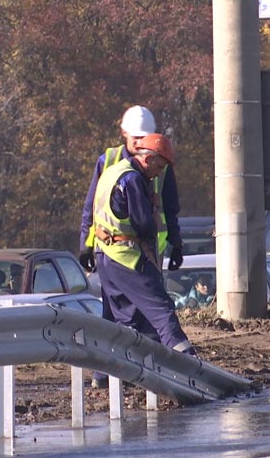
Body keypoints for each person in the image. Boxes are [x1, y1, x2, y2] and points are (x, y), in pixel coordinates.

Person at [92, 133, 196, 357]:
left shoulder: (112, 171)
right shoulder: (133, 180)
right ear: (147, 159)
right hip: (126, 257)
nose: (158, 174)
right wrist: (151, 205)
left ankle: (110, 376)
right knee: (162, 311)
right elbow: (143, 225)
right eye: (158, 167)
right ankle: (190, 368)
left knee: (124, 320)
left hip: (104, 254)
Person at [79, 105, 184, 272]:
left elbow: (171, 208)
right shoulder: (107, 161)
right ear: (124, 133)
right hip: (113, 249)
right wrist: (86, 245)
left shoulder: (161, 165)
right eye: (136, 137)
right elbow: (91, 207)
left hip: (150, 250)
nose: (140, 143)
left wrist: (176, 244)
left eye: (144, 137)